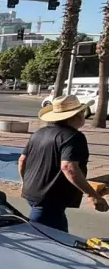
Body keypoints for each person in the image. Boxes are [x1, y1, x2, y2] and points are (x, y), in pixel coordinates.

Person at [19, 95, 108, 231]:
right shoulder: (74, 137)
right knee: (40, 235)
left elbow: (22, 161)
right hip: (49, 198)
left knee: (58, 231)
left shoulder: (39, 133)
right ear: (77, 116)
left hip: (33, 193)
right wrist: (92, 195)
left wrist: (25, 182)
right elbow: (68, 167)